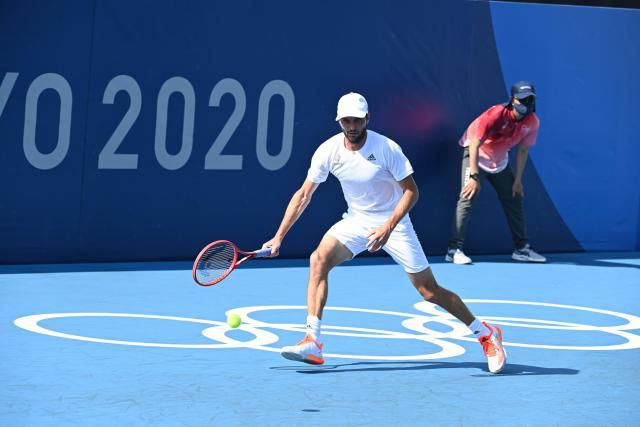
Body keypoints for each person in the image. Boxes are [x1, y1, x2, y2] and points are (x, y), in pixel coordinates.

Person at [262, 92, 507, 373]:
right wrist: (279, 235)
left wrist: (388, 227)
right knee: (319, 260)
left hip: (395, 223)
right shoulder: (328, 151)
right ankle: (313, 340)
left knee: (429, 291)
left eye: (356, 120)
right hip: (356, 220)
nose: (352, 126)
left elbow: (412, 192)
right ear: (339, 121)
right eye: (346, 121)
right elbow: (304, 194)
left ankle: (485, 333)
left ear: (367, 119)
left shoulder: (387, 148)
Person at [445, 81, 547, 265]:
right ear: (513, 100)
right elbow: (475, 143)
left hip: (499, 160)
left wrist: (517, 180)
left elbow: (523, 151)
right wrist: (474, 176)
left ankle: (522, 249)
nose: (526, 103)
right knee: (467, 197)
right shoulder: (496, 114)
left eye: (530, 99)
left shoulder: (533, 122)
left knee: (514, 198)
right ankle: (454, 250)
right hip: (475, 155)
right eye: (522, 100)